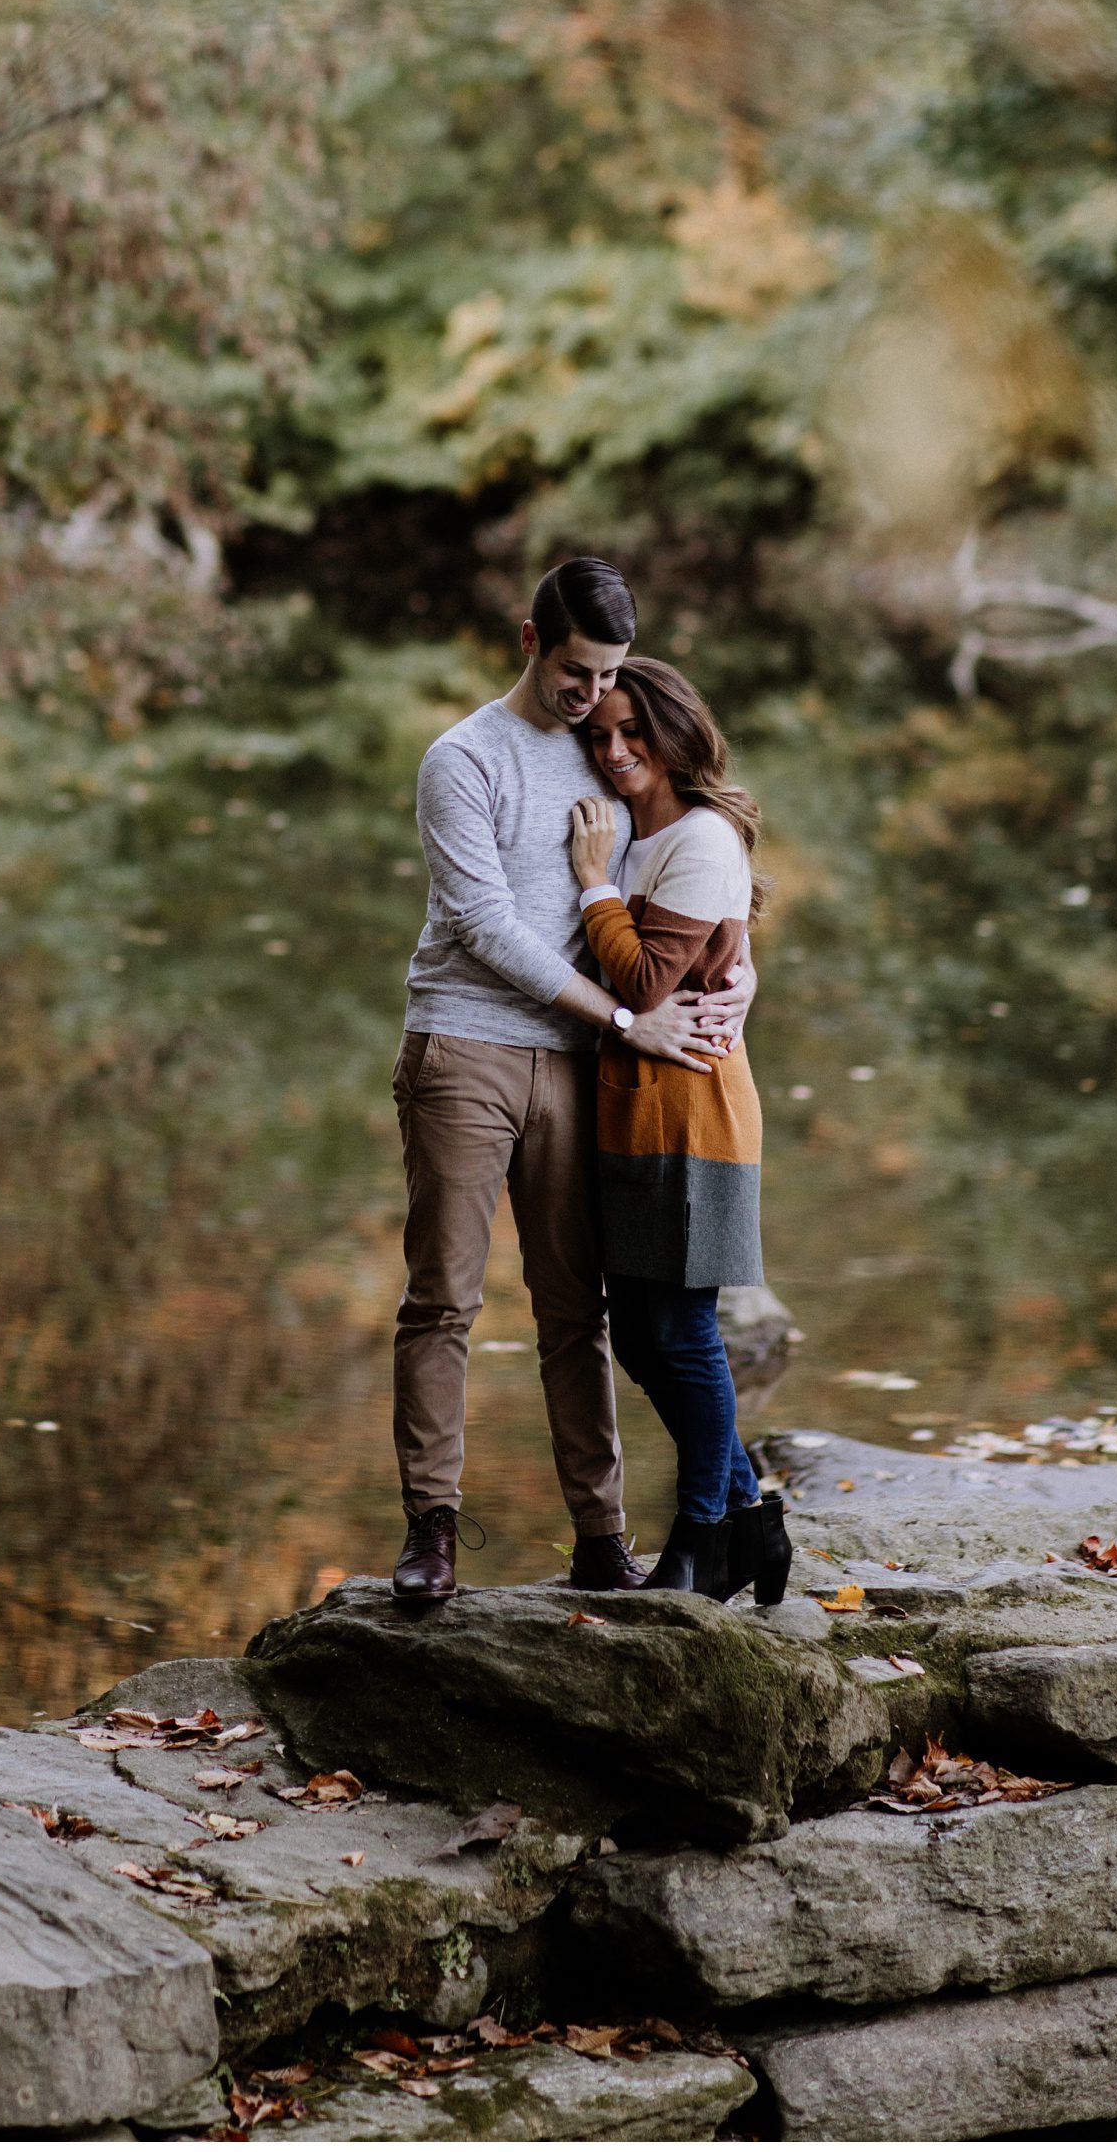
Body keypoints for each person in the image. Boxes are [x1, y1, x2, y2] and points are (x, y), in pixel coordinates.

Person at [390, 559, 756, 1602]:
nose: (591, 698)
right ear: (527, 640)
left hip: (582, 1067)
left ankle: (600, 1536)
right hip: (465, 1043)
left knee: (575, 1310)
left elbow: (692, 869)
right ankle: (431, 1529)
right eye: (573, 672)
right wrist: (627, 1020)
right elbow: (483, 923)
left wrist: (738, 973)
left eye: (604, 675)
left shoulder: (613, 750)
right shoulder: (462, 758)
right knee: (441, 1297)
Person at [566, 656, 792, 1601]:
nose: (616, 752)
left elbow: (649, 983)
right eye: (600, 735)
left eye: (634, 733)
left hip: (695, 1113)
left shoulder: (697, 839)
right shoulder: (633, 833)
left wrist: (590, 884)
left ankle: (701, 1540)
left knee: (684, 1330)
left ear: (675, 734)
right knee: (642, 1340)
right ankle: (752, 1519)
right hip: (631, 1112)